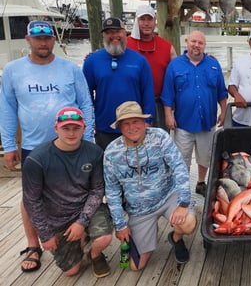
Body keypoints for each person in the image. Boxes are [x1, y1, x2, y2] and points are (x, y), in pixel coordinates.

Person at [0, 20, 94, 273]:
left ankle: (76, 233)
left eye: (47, 38)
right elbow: (7, 109)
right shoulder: (12, 70)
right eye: (37, 38)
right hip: (33, 145)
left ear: (53, 40)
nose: (43, 42)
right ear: (28, 40)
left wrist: (89, 138)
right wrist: (9, 144)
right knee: (31, 197)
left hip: (71, 144)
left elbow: (85, 103)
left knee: (76, 190)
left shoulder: (70, 69)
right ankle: (33, 245)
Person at [22, 107, 113, 278]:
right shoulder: (36, 159)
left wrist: (81, 222)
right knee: (71, 272)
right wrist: (45, 235)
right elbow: (31, 201)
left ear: (84, 129)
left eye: (76, 128)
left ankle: (95, 254)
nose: (71, 133)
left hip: (86, 209)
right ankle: (82, 241)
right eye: (66, 128)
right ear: (56, 129)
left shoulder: (94, 152)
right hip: (57, 217)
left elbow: (97, 190)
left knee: (104, 238)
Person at [104, 101, 196, 268]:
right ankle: (148, 237)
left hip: (168, 196)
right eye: (126, 123)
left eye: (136, 122)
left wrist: (183, 203)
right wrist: (120, 224)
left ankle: (176, 238)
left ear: (144, 122)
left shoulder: (160, 136)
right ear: (119, 127)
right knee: (135, 267)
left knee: (188, 223)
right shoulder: (111, 152)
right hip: (140, 210)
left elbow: (179, 167)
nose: (132, 127)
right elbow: (112, 191)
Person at [161, 31, 228, 196]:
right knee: (182, 158)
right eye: (193, 41)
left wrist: (224, 112)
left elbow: (221, 92)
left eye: (200, 43)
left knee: (205, 156)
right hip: (183, 123)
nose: (196, 45)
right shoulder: (175, 65)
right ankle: (182, 189)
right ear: (186, 42)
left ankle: (200, 182)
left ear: (204, 46)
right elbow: (168, 94)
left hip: (207, 121)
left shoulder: (213, 64)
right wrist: (168, 115)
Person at [83, 17, 155, 149]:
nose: (114, 36)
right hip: (105, 126)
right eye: (109, 32)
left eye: (118, 32)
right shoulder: (92, 61)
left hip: (134, 127)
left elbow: (148, 93)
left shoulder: (140, 60)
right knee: (107, 166)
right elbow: (85, 95)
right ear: (103, 36)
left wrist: (148, 121)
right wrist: (90, 120)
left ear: (125, 33)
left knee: (137, 165)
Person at [127, 5, 177, 130]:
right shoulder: (125, 44)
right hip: (133, 103)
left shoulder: (167, 46)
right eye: (142, 19)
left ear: (155, 21)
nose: (146, 23)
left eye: (149, 19)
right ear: (137, 21)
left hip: (159, 104)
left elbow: (180, 69)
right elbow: (107, 57)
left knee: (160, 141)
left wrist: (203, 57)